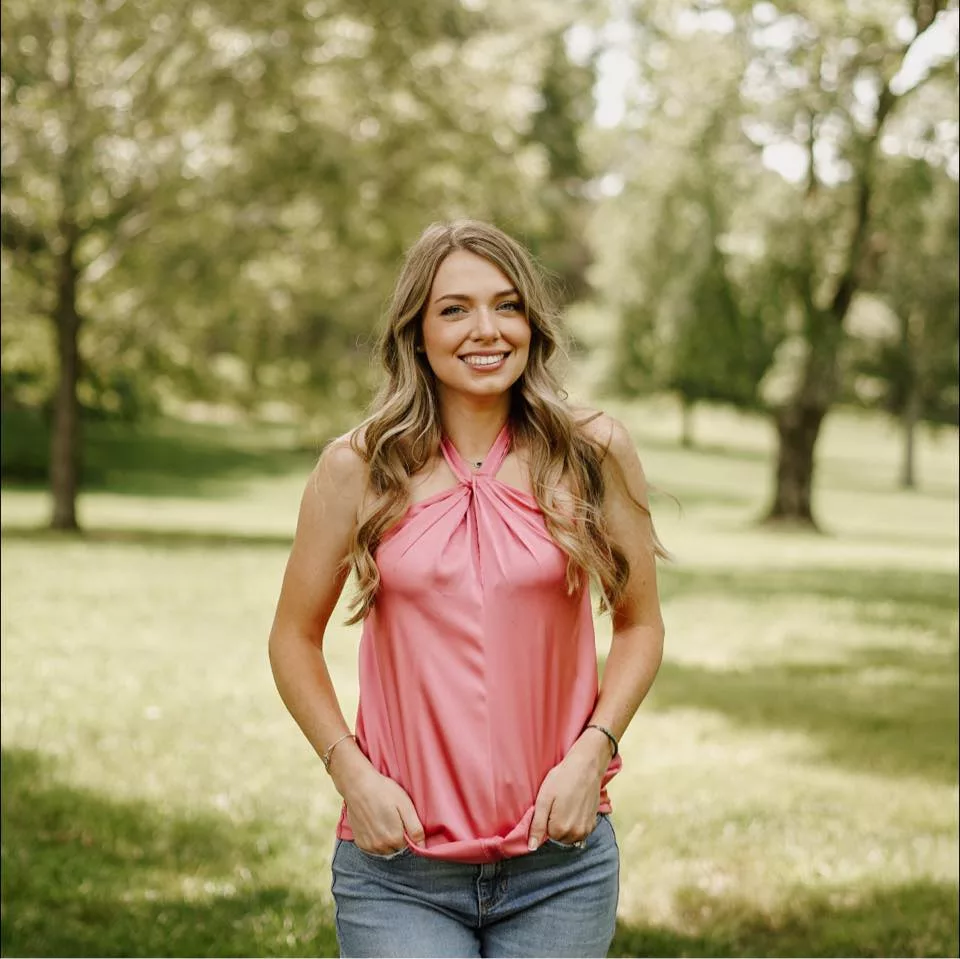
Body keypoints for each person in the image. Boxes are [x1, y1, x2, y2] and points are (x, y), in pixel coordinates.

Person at [268, 219, 666, 958]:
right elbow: (292, 637)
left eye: (507, 305)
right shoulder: (357, 466)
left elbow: (640, 625)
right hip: (398, 869)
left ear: (532, 323)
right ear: (417, 330)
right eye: (455, 309)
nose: (486, 329)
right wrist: (349, 771)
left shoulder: (593, 451)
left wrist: (594, 753)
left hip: (562, 866)